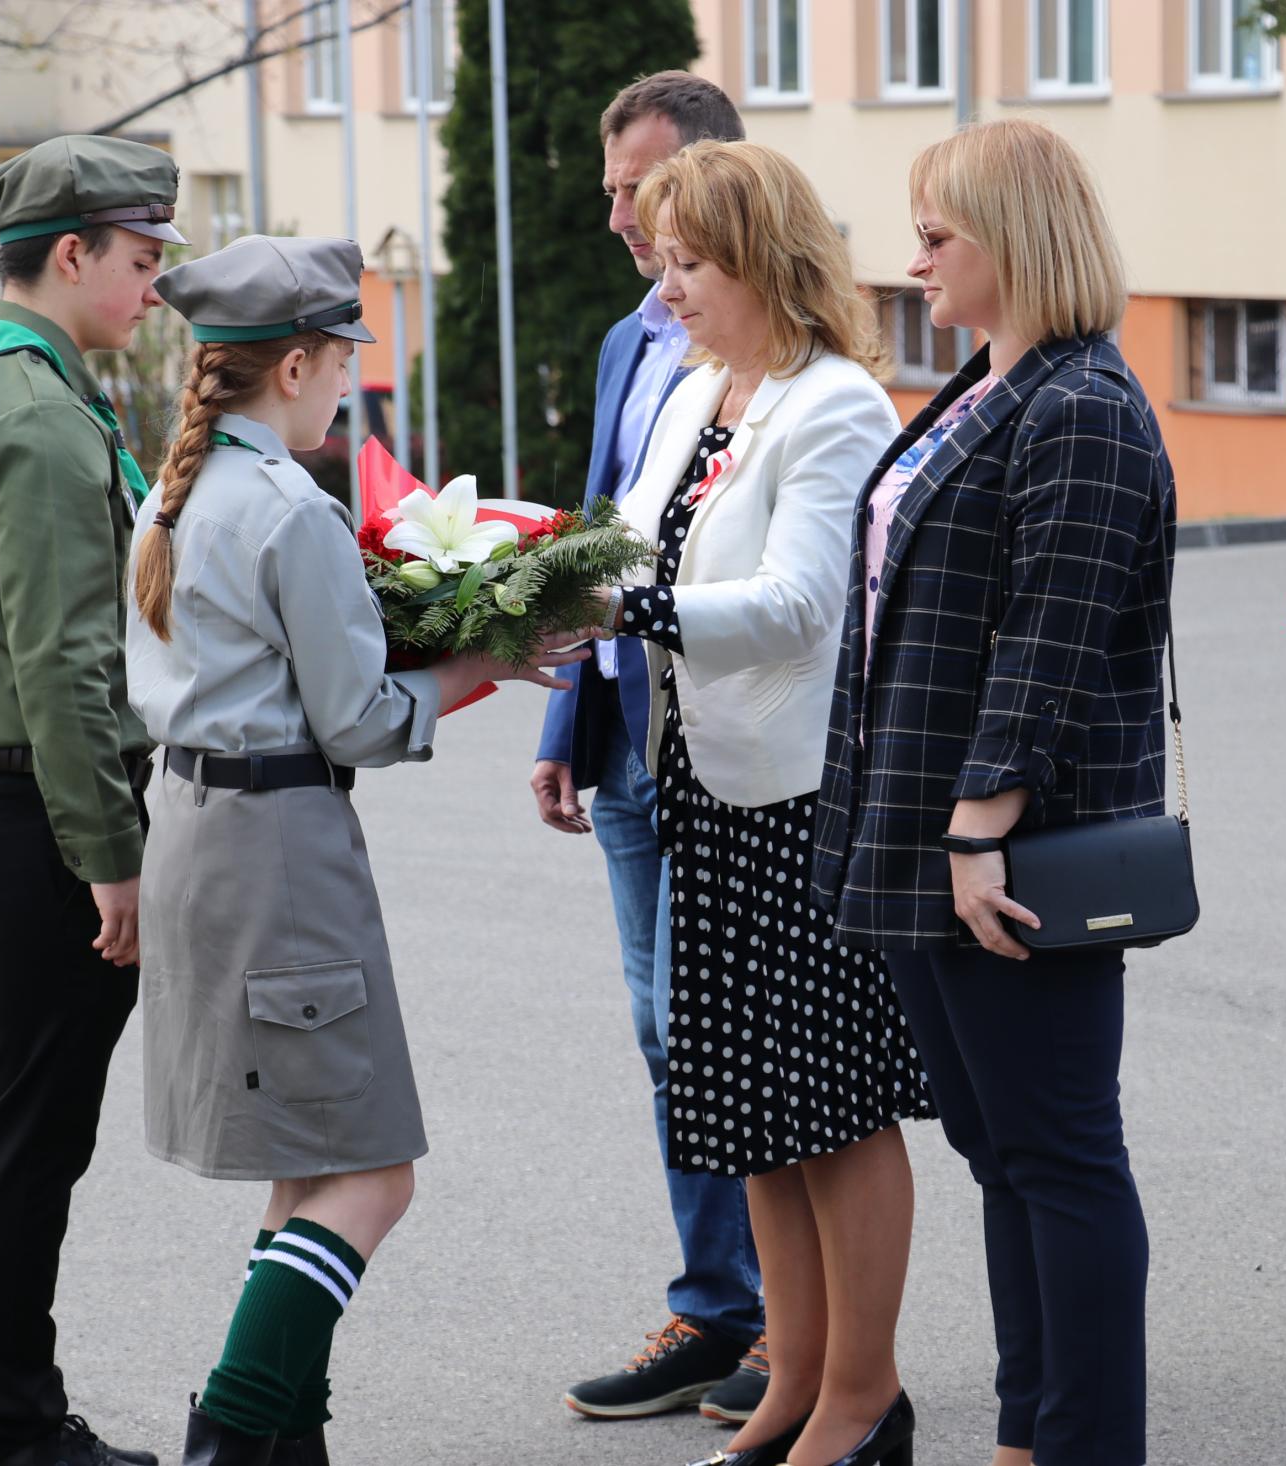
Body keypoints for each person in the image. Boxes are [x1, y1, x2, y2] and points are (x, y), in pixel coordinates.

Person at [125, 234, 586, 1466]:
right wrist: (483, 661)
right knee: (374, 1175)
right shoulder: (289, 508)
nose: (349, 384)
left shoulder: (174, 491)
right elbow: (361, 719)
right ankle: (232, 1433)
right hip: (277, 848)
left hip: (197, 830)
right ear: (294, 366)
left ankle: (287, 1440)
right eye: (342, 361)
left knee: (307, 1167)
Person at [810, 119, 1168, 1466]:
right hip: (925, 825)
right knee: (1003, 1151)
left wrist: (980, 826)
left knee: (1060, 1156)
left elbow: (1048, 637)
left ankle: (1085, 1444)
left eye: (935, 236)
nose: (913, 264)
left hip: (1011, 846)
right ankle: (1030, 1434)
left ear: (1012, 241)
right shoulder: (990, 384)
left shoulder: (1083, 405)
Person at [591, 139, 930, 1466]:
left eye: (690, 262)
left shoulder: (833, 401)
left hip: (803, 797)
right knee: (751, 1109)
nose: (666, 286)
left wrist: (630, 607)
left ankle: (863, 1394)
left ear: (763, 264)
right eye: (665, 260)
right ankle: (790, 1382)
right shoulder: (701, 388)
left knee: (833, 1102)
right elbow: (625, 541)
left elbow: (799, 604)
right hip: (705, 785)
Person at [0, 135, 187, 1466]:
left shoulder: (13, 381)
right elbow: (65, 662)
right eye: (139, 259)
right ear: (72, 254)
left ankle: (0, 1412)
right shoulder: (32, 415)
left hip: (9, 809)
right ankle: (10, 1428)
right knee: (24, 1136)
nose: (153, 287)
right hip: (37, 817)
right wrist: (111, 854)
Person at [537, 70, 773, 1428]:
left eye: (642, 189)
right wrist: (566, 718)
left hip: (726, 739)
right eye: (612, 189)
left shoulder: (766, 350)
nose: (620, 215)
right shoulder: (632, 341)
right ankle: (718, 1302)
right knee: (660, 1025)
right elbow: (602, 532)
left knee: (724, 1020)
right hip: (625, 732)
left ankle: (777, 1320)